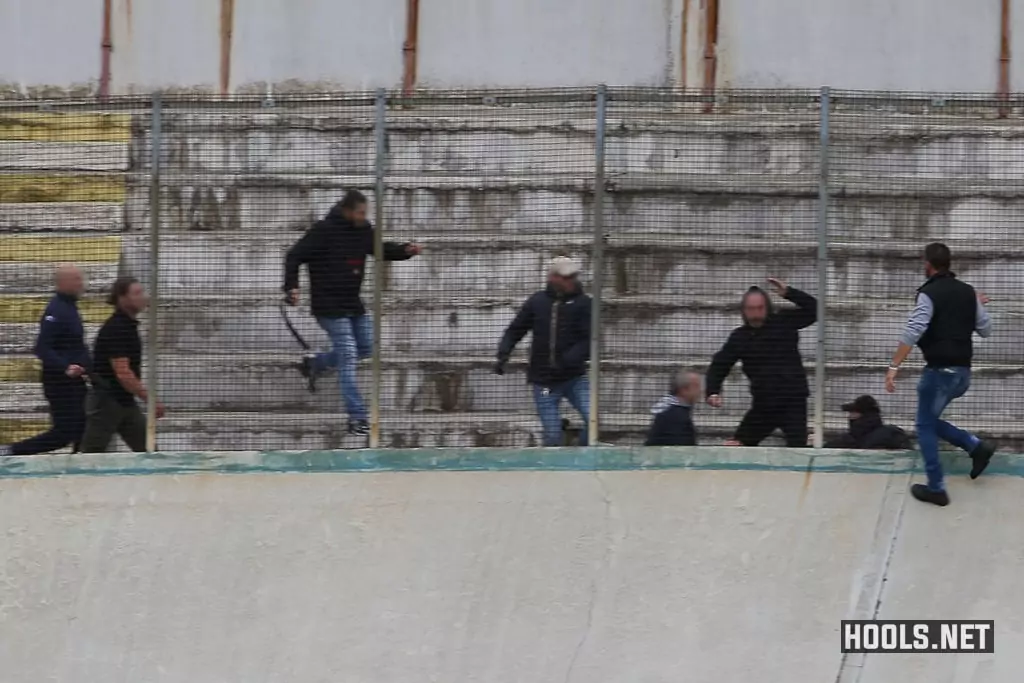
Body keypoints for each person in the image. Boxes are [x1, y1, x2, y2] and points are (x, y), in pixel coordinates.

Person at [283, 190, 421, 436]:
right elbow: (294, 255)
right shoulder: (323, 231)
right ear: (346, 210)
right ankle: (357, 417)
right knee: (348, 353)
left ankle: (316, 363)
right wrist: (291, 286)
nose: (363, 216)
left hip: (351, 303)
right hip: (328, 306)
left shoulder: (363, 230)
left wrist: (404, 251)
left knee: (367, 347)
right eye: (359, 212)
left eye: (364, 213)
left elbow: (379, 249)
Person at [886, 242, 995, 507]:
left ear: (927, 264)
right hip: (962, 375)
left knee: (923, 425)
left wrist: (894, 367)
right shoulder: (968, 293)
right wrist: (973, 305)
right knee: (929, 421)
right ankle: (975, 447)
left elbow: (914, 330)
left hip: (939, 373)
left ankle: (936, 487)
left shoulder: (928, 294)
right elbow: (986, 329)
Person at [705, 278, 817, 447]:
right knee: (738, 445)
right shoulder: (739, 337)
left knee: (797, 448)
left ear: (767, 308)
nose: (756, 313)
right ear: (744, 310)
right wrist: (713, 391)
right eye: (751, 309)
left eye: (760, 308)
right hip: (763, 405)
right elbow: (720, 363)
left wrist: (789, 293)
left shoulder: (784, 322)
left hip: (792, 402)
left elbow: (815, 310)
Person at [496, 256, 592, 446]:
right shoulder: (537, 301)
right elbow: (516, 329)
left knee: (595, 421)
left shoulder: (584, 303)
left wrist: (569, 360)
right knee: (552, 436)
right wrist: (503, 353)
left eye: (573, 276)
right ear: (553, 277)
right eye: (566, 277)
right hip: (544, 381)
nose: (571, 280)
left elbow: (590, 339)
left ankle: (581, 454)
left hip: (574, 378)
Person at [0, 265, 90, 457]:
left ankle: (79, 464)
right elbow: (42, 347)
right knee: (64, 432)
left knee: (84, 426)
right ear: (63, 283)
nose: (81, 283)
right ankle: (12, 451)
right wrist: (65, 367)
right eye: (76, 279)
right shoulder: (57, 310)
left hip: (75, 382)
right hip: (60, 383)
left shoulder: (69, 307)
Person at [81, 276, 164, 453]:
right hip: (107, 402)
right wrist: (149, 400)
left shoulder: (128, 326)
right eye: (137, 293)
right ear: (122, 298)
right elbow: (123, 373)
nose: (143, 297)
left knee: (149, 452)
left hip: (124, 402)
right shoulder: (117, 328)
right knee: (90, 455)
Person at [823, 395, 911, 450]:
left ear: (863, 414)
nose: (849, 416)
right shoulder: (892, 433)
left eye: (853, 412)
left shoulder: (852, 440)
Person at [645, 368, 702, 446]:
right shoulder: (676, 416)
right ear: (684, 390)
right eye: (696, 386)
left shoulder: (670, 409)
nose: (700, 391)